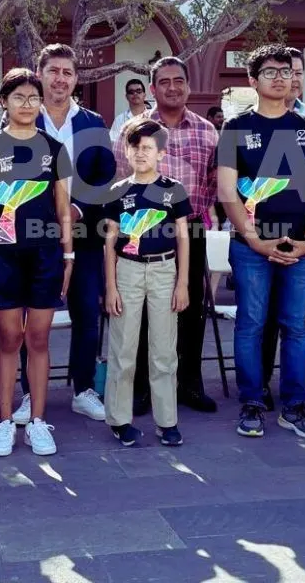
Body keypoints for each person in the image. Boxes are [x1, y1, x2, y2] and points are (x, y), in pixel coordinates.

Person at [218, 45, 305, 440]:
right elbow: (228, 192)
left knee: (296, 327)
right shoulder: (235, 128)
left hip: (300, 248)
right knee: (250, 323)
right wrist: (255, 240)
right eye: (270, 71)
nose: (280, 77)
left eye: (286, 70)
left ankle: (294, 404)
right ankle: (252, 400)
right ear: (252, 80)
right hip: (251, 247)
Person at [8, 44, 116, 425]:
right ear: (40, 74)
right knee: (29, 317)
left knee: (87, 311)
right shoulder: (21, 121)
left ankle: (83, 388)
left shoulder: (93, 123)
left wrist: (75, 208)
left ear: (76, 78)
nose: (61, 79)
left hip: (83, 234)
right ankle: (27, 393)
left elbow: (105, 175)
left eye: (68, 72)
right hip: (31, 236)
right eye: (53, 71)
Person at [111, 57, 219, 415]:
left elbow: (213, 184)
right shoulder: (135, 131)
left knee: (188, 310)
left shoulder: (207, 131)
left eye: (179, 80)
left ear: (188, 85)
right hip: (142, 233)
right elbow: (119, 184)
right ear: (152, 89)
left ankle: (188, 382)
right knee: (141, 312)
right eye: (164, 82)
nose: (172, 87)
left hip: (190, 231)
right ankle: (142, 388)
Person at [0, 69, 73, 458]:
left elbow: (63, 208)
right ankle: (3, 422)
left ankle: (36, 422)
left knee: (39, 340)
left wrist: (68, 256)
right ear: (4, 102)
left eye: (34, 97)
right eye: (19, 97)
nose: (27, 104)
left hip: (47, 257)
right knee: (10, 339)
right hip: (6, 259)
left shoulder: (53, 149)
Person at [104, 119, 191, 447]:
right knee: (123, 348)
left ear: (161, 153)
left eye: (148, 148)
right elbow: (109, 242)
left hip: (163, 271)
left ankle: (167, 421)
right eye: (135, 147)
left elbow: (183, 237)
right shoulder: (118, 191)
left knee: (164, 350)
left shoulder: (172, 190)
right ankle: (119, 419)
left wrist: (182, 282)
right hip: (127, 272)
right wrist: (111, 286)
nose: (141, 154)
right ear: (126, 151)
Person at [260, 47, 305, 410]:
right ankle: (263, 385)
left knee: (298, 319)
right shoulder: (251, 122)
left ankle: (297, 382)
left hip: (303, 238)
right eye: (287, 71)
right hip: (265, 236)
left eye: (298, 72)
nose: (292, 78)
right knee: (264, 317)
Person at [108, 78, 151, 142]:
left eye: (138, 91)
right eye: (131, 92)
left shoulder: (153, 117)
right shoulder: (119, 120)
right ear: (126, 96)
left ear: (144, 95)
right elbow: (113, 143)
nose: (135, 94)